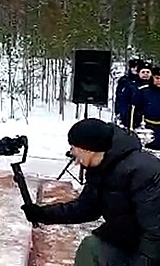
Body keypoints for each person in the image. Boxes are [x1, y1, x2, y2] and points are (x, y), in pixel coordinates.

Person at [20, 118, 160, 266]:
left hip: (151, 249)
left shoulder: (144, 172)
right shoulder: (100, 167)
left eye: (73, 148)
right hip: (127, 240)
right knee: (91, 247)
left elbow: (155, 233)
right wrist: (43, 214)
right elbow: (87, 207)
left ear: (87, 149)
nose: (72, 153)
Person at [133, 66, 160, 150]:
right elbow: (135, 110)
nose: (159, 81)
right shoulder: (144, 92)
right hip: (148, 128)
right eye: (157, 78)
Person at [115, 59, 140, 125]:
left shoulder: (143, 81)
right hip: (125, 111)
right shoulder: (124, 80)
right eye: (133, 67)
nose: (135, 69)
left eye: (137, 67)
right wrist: (118, 111)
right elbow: (119, 96)